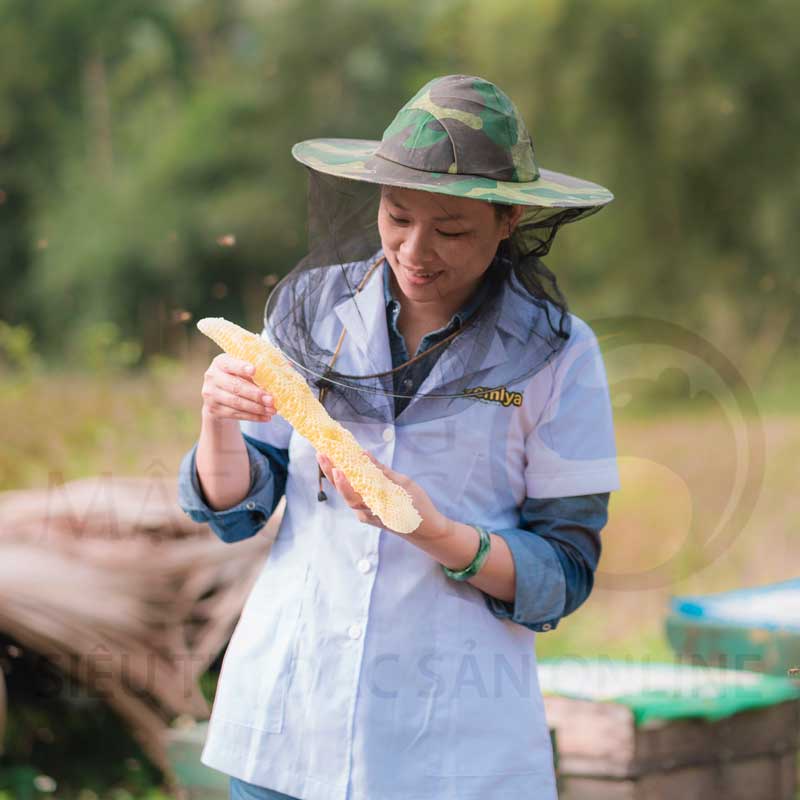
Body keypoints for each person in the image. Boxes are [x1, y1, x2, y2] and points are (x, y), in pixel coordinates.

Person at [178, 74, 620, 800]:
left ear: (508, 222)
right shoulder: (308, 309)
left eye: (450, 230)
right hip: (291, 720)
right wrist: (217, 419)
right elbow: (236, 507)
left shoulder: (563, 354)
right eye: (397, 216)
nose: (415, 251)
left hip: (455, 741)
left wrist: (438, 533)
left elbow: (565, 568)